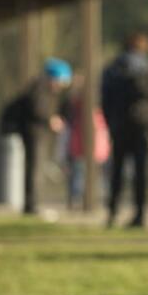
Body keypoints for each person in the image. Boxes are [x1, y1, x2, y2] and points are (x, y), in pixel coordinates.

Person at [0, 57, 71, 214]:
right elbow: (37, 109)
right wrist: (50, 120)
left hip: (36, 132)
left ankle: (32, 203)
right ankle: (31, 204)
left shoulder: (39, 87)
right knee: (34, 169)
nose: (60, 87)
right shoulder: (40, 88)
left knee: (35, 168)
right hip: (34, 133)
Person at [101, 31, 148, 228]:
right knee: (142, 172)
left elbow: (105, 99)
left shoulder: (113, 69)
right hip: (142, 125)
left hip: (119, 125)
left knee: (117, 170)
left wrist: (111, 122)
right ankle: (140, 213)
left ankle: (112, 212)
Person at [61, 71, 110, 210]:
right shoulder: (79, 103)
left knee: (85, 172)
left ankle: (85, 198)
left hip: (90, 144)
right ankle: (80, 198)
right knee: (80, 172)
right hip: (83, 144)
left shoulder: (88, 105)